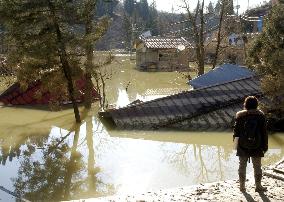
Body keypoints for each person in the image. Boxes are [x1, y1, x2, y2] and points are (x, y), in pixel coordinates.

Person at [233, 96, 268, 192]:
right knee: (257, 166)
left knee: (242, 165)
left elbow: (236, 132)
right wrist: (265, 147)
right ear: (256, 105)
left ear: (246, 105)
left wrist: (235, 146)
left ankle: (242, 187)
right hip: (257, 146)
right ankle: (258, 186)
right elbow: (264, 133)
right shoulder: (261, 116)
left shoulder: (240, 116)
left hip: (242, 146)